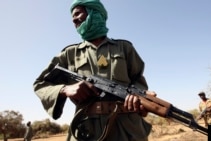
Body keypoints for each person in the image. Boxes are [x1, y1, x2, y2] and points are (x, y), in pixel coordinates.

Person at [33, 0, 156, 140]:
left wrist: (138, 96)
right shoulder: (69, 54)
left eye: (78, 13)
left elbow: (138, 80)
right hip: (86, 129)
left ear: (93, 12)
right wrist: (64, 90)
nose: (74, 19)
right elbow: (40, 84)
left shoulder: (124, 48)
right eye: (72, 17)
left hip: (126, 128)